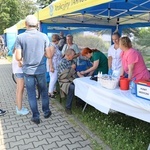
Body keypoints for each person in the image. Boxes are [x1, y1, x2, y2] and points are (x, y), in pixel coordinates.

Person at [15, 15, 51, 125]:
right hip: (40, 69)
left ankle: (36, 116)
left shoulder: (20, 37)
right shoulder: (44, 36)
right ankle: (46, 111)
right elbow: (49, 55)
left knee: (31, 94)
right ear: (37, 25)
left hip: (28, 71)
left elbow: (18, 57)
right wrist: (42, 53)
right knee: (44, 91)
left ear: (26, 24)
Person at [57, 49, 76, 115]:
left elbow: (74, 72)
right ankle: (67, 107)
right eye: (73, 55)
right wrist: (72, 69)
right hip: (63, 81)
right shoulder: (62, 62)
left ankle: (80, 103)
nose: (74, 56)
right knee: (72, 87)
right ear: (68, 55)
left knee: (81, 84)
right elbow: (65, 76)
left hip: (71, 79)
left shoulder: (71, 61)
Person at [12, 48, 29, 115]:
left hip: (18, 71)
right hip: (20, 71)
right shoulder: (19, 50)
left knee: (19, 90)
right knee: (20, 90)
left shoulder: (16, 49)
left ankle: (19, 107)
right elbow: (20, 64)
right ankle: (19, 109)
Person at [47, 34, 62, 98]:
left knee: (53, 78)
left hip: (55, 64)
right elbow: (50, 57)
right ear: (57, 40)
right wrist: (51, 66)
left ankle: (53, 90)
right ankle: (50, 92)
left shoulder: (53, 45)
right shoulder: (52, 46)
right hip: (53, 65)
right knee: (53, 78)